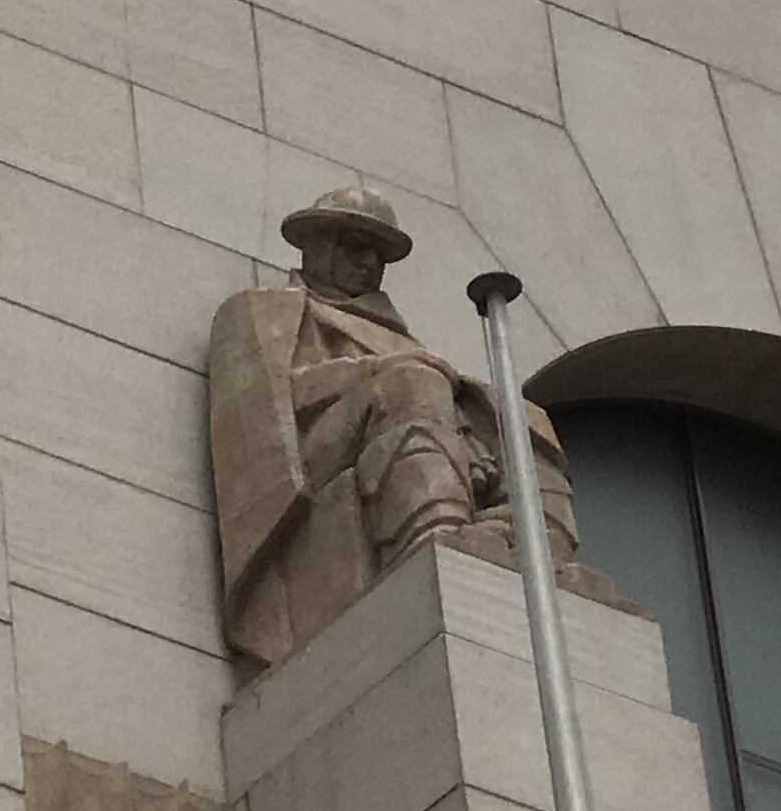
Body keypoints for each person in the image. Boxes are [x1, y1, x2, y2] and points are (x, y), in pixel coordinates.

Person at [207, 185, 579, 669]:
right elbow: (265, 403)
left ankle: (536, 546)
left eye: (379, 256)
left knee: (522, 416)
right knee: (411, 382)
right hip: (317, 448)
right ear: (318, 244)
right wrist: (380, 373)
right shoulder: (265, 310)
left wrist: (472, 420)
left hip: (400, 422)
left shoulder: (398, 338)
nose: (369, 264)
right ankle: (434, 531)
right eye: (356, 247)